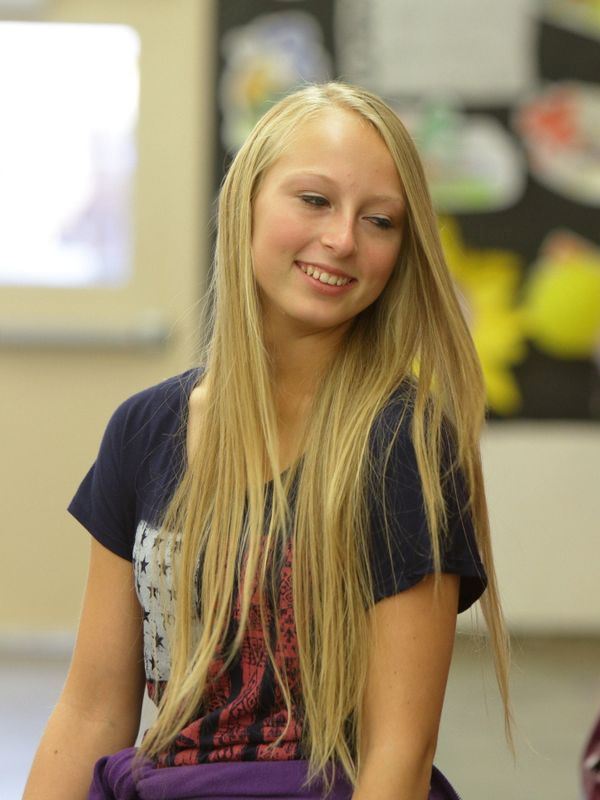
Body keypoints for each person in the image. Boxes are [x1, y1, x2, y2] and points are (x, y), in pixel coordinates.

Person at [24, 81, 512, 800]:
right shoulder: (143, 430)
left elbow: (398, 755)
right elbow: (93, 709)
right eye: (314, 201)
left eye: (380, 221)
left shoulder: (400, 444)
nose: (343, 239)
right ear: (244, 201)